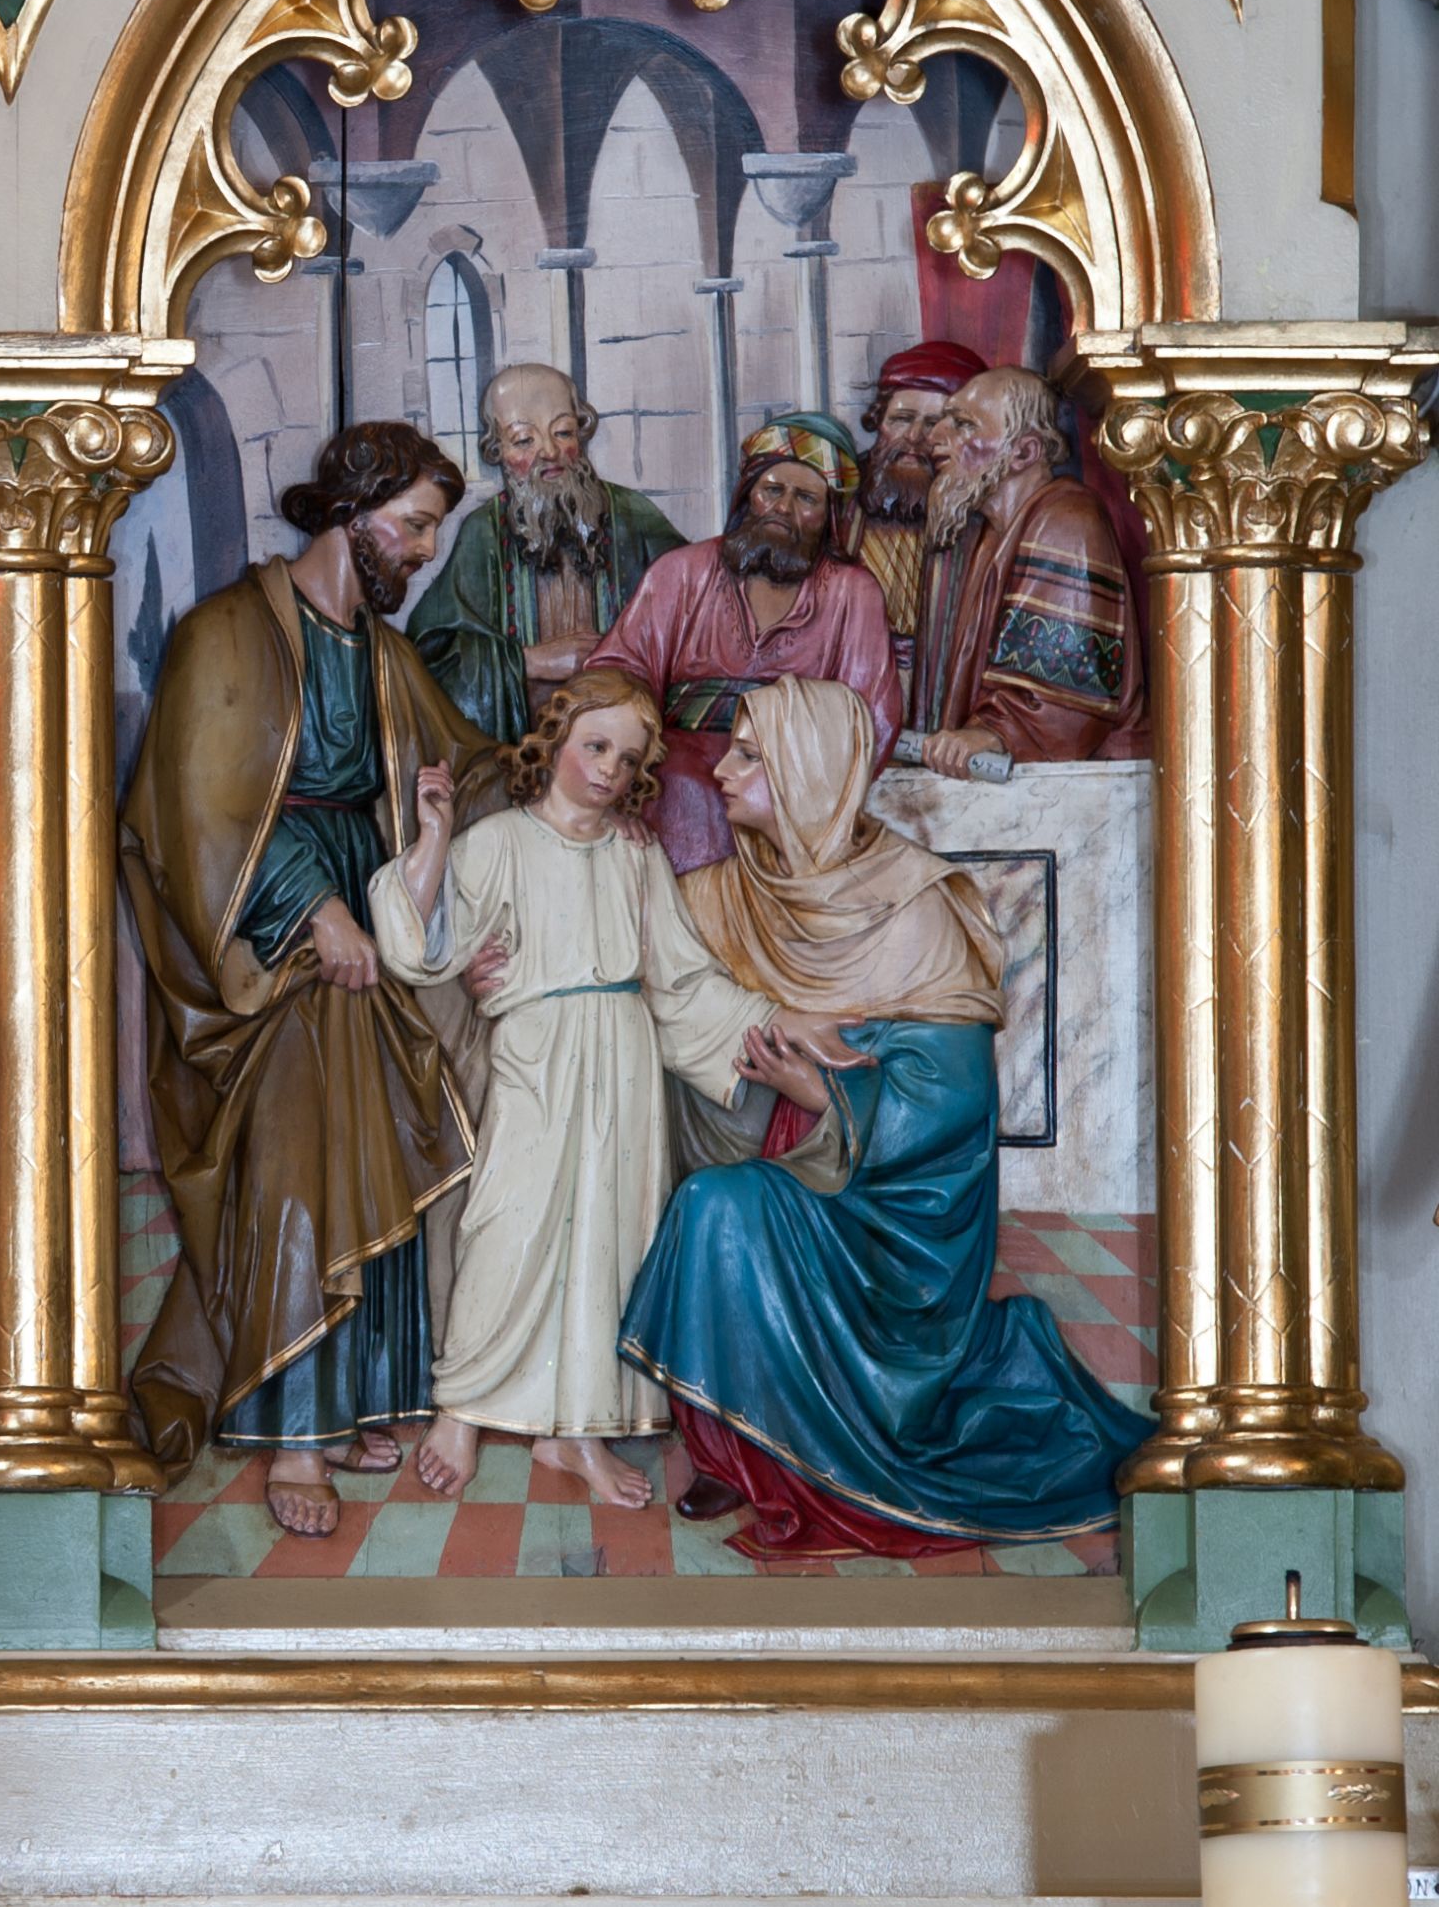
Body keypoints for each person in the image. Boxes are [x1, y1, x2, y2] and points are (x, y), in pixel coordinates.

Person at [618, 676, 1154, 1555]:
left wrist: (822, 1095)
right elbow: (649, 975)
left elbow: (956, 1100)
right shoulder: (725, 894)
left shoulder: (913, 902)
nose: (721, 770)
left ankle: (797, 1448)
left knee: (719, 1208)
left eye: (750, 756)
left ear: (807, 772)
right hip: (787, 1163)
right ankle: (738, 1451)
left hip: (892, 1214)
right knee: (716, 1205)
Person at [121, 423, 500, 1539]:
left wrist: (566, 758)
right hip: (253, 943)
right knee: (302, 1120)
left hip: (372, 919)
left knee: (388, 1111)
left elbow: (467, 765)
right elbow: (198, 809)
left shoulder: (384, 655)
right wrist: (312, 909)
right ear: (352, 513)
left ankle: (359, 1399)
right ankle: (295, 1426)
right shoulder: (226, 632)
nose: (423, 552)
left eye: (432, 532)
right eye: (413, 526)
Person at [381, 670, 850, 1509]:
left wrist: (777, 1019)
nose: (608, 770)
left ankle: (578, 1433)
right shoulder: (501, 841)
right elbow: (420, 942)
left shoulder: (638, 854)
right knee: (508, 1224)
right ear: (554, 741)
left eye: (628, 760)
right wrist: (436, 834)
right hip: (537, 1053)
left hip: (624, 1061)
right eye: (594, 746)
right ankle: (463, 1407)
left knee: (607, 1243)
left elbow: (682, 981)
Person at [587, 412, 900, 874]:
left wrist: (800, 783)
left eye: (806, 498)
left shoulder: (852, 593)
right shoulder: (683, 571)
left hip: (789, 781)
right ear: (748, 495)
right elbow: (616, 676)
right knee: (683, 786)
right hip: (671, 768)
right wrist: (620, 779)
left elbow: (871, 718)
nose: (784, 509)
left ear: (829, 516)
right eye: (772, 490)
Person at [405, 363, 686, 742]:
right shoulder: (484, 532)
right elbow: (434, 653)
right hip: (521, 753)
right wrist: (528, 662)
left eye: (563, 432)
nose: (550, 452)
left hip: (623, 746)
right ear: (498, 450)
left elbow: (692, 612)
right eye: (524, 440)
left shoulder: (633, 518)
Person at [910, 366, 1147, 776]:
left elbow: (1067, 693)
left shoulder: (1067, 520)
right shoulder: (991, 535)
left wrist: (994, 733)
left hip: (1087, 787)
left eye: (963, 424)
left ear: (1024, 452)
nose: (934, 437)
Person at [847, 340, 988, 696]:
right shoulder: (840, 503)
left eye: (934, 423)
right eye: (901, 419)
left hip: (948, 690)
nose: (913, 438)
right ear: (879, 421)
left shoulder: (984, 515)